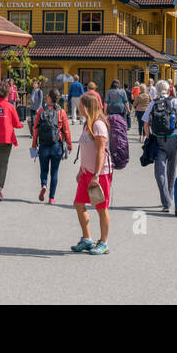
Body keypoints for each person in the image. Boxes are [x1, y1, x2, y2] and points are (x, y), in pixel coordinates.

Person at [72, 92, 113, 255]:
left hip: (100, 173)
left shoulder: (98, 125)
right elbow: (86, 150)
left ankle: (103, 242)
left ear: (87, 107)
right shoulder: (87, 123)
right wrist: (81, 169)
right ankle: (87, 239)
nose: (78, 108)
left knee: (101, 208)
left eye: (81, 105)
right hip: (86, 172)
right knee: (79, 203)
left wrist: (96, 175)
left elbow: (100, 152)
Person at [143, 80, 177, 213]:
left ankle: (166, 202)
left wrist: (149, 137)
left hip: (159, 140)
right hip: (174, 140)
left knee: (159, 172)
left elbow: (145, 123)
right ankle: (170, 196)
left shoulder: (153, 103)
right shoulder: (175, 102)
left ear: (156, 90)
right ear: (168, 90)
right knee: (171, 171)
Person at [32, 87, 72, 204]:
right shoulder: (61, 112)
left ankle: (44, 184)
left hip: (43, 145)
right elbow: (66, 130)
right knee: (54, 172)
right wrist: (69, 145)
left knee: (43, 170)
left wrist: (34, 144)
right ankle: (52, 198)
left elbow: (35, 130)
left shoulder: (40, 111)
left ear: (49, 97)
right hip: (57, 145)